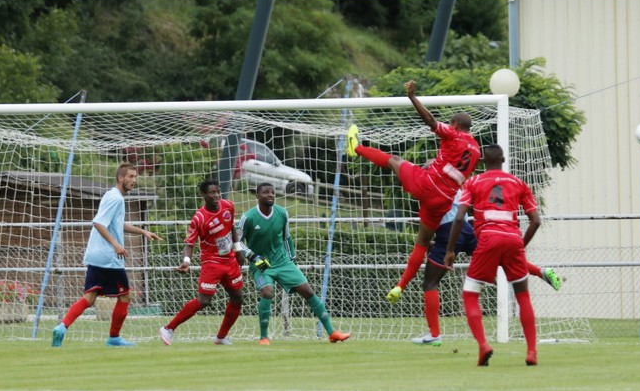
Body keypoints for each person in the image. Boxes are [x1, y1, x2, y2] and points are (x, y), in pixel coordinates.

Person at [346, 80, 481, 305]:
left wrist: (412, 97)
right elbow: (456, 171)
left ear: (455, 125)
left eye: (450, 124)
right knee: (422, 242)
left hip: (427, 185)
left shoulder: (453, 134)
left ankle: (356, 148)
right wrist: (436, 162)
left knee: (395, 161)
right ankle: (400, 286)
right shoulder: (475, 149)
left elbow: (430, 121)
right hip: (444, 201)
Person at [409, 190, 561, 346]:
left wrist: (443, 246)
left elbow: (433, 222)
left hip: (450, 232)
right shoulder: (455, 184)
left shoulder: (431, 188)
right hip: (467, 230)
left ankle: (434, 334)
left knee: (430, 283)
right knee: (503, 260)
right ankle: (540, 272)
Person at [444, 144, 543, 367]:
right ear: (504, 159)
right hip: (512, 239)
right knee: (523, 296)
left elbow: (459, 217)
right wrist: (520, 245)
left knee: (470, 294)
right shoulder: (519, 183)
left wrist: (450, 250)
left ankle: (483, 346)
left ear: (483, 163)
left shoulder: (474, 182)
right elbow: (536, 220)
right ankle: (531, 352)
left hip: (488, 238)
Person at [51, 162, 162, 347]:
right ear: (121, 178)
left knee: (89, 298)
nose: (134, 180)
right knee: (125, 297)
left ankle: (61, 327)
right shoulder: (116, 198)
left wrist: (143, 231)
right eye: (131, 177)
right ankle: (114, 338)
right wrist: (116, 244)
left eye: (135, 176)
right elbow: (99, 223)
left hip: (96, 256)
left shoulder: (112, 195)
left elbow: (117, 224)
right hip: (109, 258)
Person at [235, 182, 350, 345]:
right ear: (257, 196)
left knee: (308, 291)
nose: (270, 195)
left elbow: (286, 237)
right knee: (267, 292)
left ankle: (332, 332)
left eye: (273, 192)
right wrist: (253, 257)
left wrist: (292, 258)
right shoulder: (248, 217)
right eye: (266, 192)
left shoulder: (282, 213)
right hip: (261, 264)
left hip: (283, 262)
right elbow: (237, 242)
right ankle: (264, 337)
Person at [158, 179, 243, 346]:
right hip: (211, 262)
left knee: (238, 298)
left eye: (217, 191)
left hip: (230, 260)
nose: (216, 195)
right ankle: (168, 328)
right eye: (212, 192)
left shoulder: (228, 206)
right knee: (204, 300)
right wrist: (186, 261)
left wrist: (238, 249)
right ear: (204, 195)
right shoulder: (199, 218)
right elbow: (189, 243)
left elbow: (232, 227)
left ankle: (220, 337)